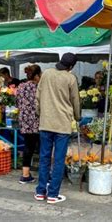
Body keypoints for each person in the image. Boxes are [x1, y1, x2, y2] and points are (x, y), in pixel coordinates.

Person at [34, 53, 80, 204]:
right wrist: (77, 117)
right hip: (62, 125)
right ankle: (53, 194)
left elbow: (38, 96)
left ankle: (40, 192)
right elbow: (75, 100)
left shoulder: (46, 73)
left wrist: (39, 113)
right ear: (71, 67)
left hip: (45, 122)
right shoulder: (70, 78)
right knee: (59, 160)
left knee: (44, 157)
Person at [16, 64, 42, 184]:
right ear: (37, 75)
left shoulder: (21, 86)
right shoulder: (39, 87)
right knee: (43, 148)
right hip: (37, 120)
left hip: (25, 120)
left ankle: (25, 175)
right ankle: (43, 175)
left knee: (28, 147)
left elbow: (17, 102)